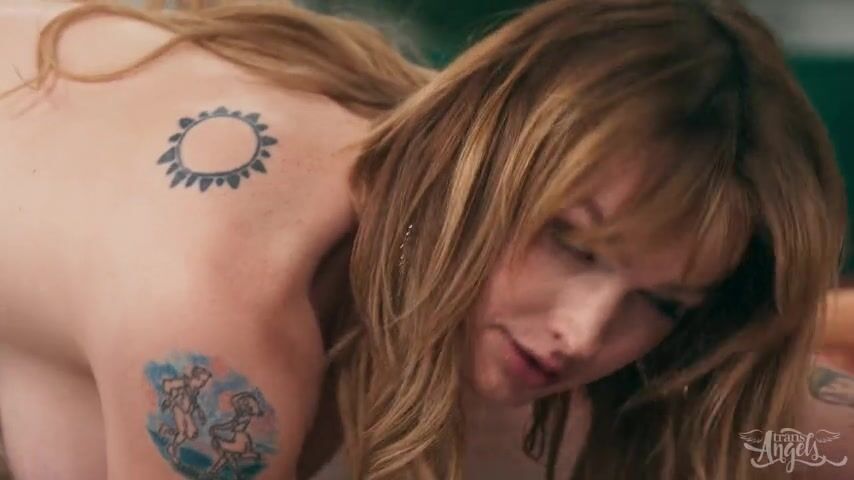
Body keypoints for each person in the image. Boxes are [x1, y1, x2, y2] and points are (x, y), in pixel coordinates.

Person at [0, 0, 849, 479]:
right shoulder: (223, 298)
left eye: (665, 301)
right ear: (483, 160)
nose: (583, 331)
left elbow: (791, 435)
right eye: (575, 245)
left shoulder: (475, 157)